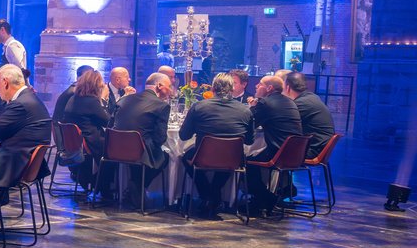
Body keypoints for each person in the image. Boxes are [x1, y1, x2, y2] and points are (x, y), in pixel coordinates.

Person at [178, 73, 254, 220]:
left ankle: (208, 195)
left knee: (185, 157)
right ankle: (214, 195)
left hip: (203, 156)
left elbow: (183, 136)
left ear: (213, 88)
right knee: (231, 157)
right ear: (232, 89)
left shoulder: (199, 107)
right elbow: (250, 141)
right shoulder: (245, 110)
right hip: (233, 158)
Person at [244, 75, 304, 216]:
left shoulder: (266, 103)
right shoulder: (290, 102)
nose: (256, 86)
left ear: (269, 88)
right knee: (254, 158)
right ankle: (259, 200)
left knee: (245, 163)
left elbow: (250, 124)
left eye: (260, 84)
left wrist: (253, 107)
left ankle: (266, 199)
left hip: (278, 153)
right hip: (295, 153)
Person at [0, 64, 53, 189]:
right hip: (23, 164)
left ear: (5, 83)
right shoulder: (30, 98)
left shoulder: (20, 104)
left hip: (10, 167)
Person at [110, 72, 172, 194]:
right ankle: (137, 186)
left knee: (141, 149)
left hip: (113, 149)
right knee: (165, 157)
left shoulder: (124, 100)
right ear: (159, 85)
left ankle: (134, 188)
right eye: (169, 86)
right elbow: (160, 138)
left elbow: (110, 125)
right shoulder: (161, 105)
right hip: (139, 152)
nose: (170, 90)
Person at [62, 70, 113, 198]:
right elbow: (108, 121)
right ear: (96, 85)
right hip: (90, 142)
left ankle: (96, 183)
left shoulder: (73, 98)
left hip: (77, 143)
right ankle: (105, 187)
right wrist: (103, 100)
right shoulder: (91, 101)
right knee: (116, 151)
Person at [285, 72, 335, 158]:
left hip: (313, 150)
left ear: (287, 87)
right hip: (320, 147)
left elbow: (282, 122)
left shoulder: (301, 103)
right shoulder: (311, 97)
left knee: (269, 151)